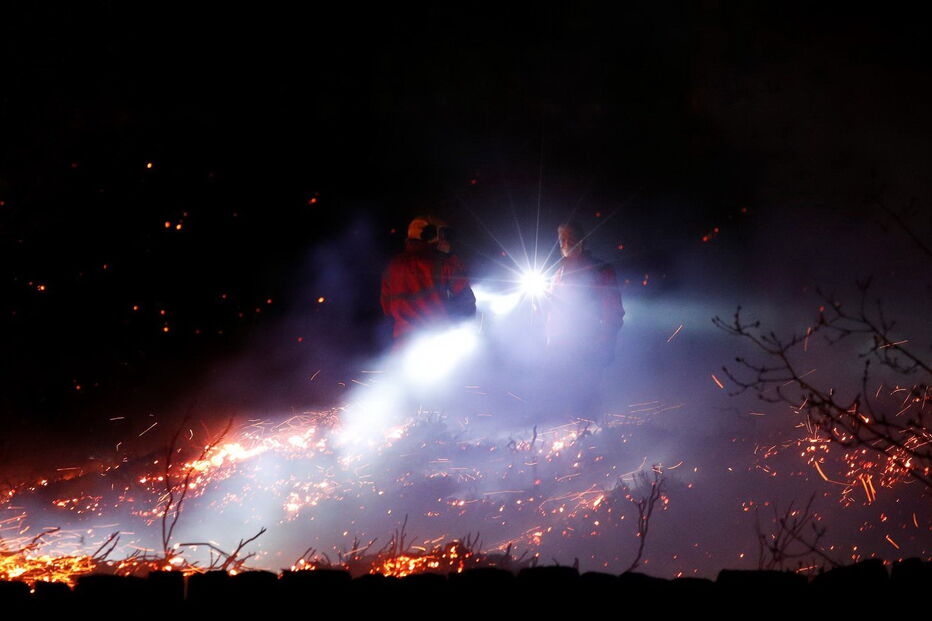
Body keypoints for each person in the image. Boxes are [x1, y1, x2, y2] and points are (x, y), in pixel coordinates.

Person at [538, 220, 624, 421]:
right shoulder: (557, 273)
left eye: (571, 238)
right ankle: (569, 430)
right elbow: (550, 311)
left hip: (590, 344)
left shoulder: (600, 270)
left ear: (582, 241)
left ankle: (592, 432)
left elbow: (613, 309)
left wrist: (605, 339)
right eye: (562, 239)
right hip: (561, 346)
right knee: (563, 395)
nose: (566, 244)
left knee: (585, 395)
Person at [380, 216, 476, 341]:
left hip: (404, 342)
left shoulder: (392, 267)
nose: (443, 240)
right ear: (430, 235)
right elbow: (466, 299)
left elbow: (387, 309)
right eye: (442, 235)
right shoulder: (442, 263)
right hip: (439, 337)